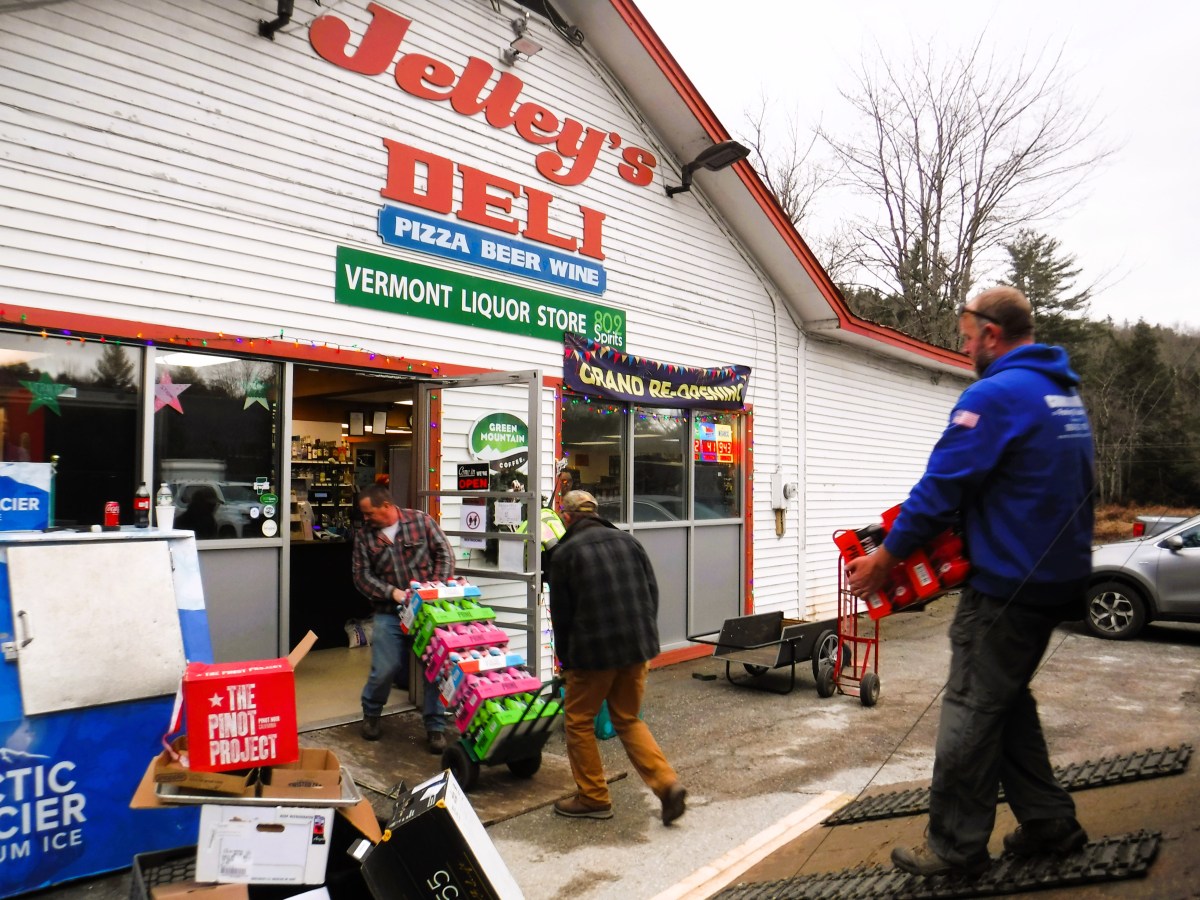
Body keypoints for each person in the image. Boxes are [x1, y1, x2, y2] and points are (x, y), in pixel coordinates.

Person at [846, 286, 1095, 877]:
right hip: (1055, 579)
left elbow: (942, 487)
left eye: (965, 335)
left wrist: (887, 558)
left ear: (990, 333)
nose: (964, 346)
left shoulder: (998, 393)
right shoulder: (1061, 394)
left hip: (1007, 585)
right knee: (1002, 700)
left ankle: (956, 846)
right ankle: (1048, 822)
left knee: (969, 708)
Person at [548, 489, 687, 824]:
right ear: (596, 512)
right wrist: (643, 637)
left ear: (567, 516)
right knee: (628, 718)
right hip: (636, 647)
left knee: (579, 721)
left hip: (593, 653)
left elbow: (562, 616)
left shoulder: (565, 553)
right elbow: (651, 593)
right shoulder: (629, 542)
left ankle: (594, 797)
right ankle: (666, 784)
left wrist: (565, 661)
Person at [351, 484, 453, 753]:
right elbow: (361, 577)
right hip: (389, 614)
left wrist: (434, 590)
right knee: (384, 669)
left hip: (427, 613)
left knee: (436, 670)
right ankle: (372, 714)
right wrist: (392, 593)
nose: (366, 518)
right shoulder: (364, 537)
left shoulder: (421, 521)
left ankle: (435, 727)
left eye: (369, 513)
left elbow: (444, 554)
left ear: (386, 507)